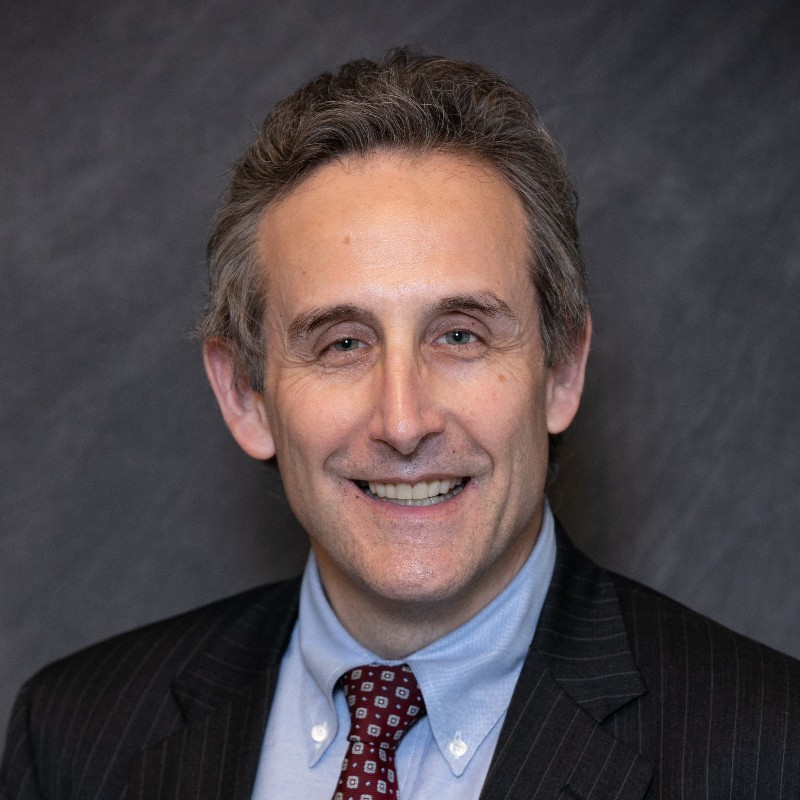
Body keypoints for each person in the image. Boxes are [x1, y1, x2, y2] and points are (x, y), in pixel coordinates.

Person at [2, 49, 798, 800]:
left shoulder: (768, 751)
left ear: (561, 370)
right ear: (246, 394)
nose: (404, 421)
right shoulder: (77, 738)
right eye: (342, 344)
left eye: (460, 336)